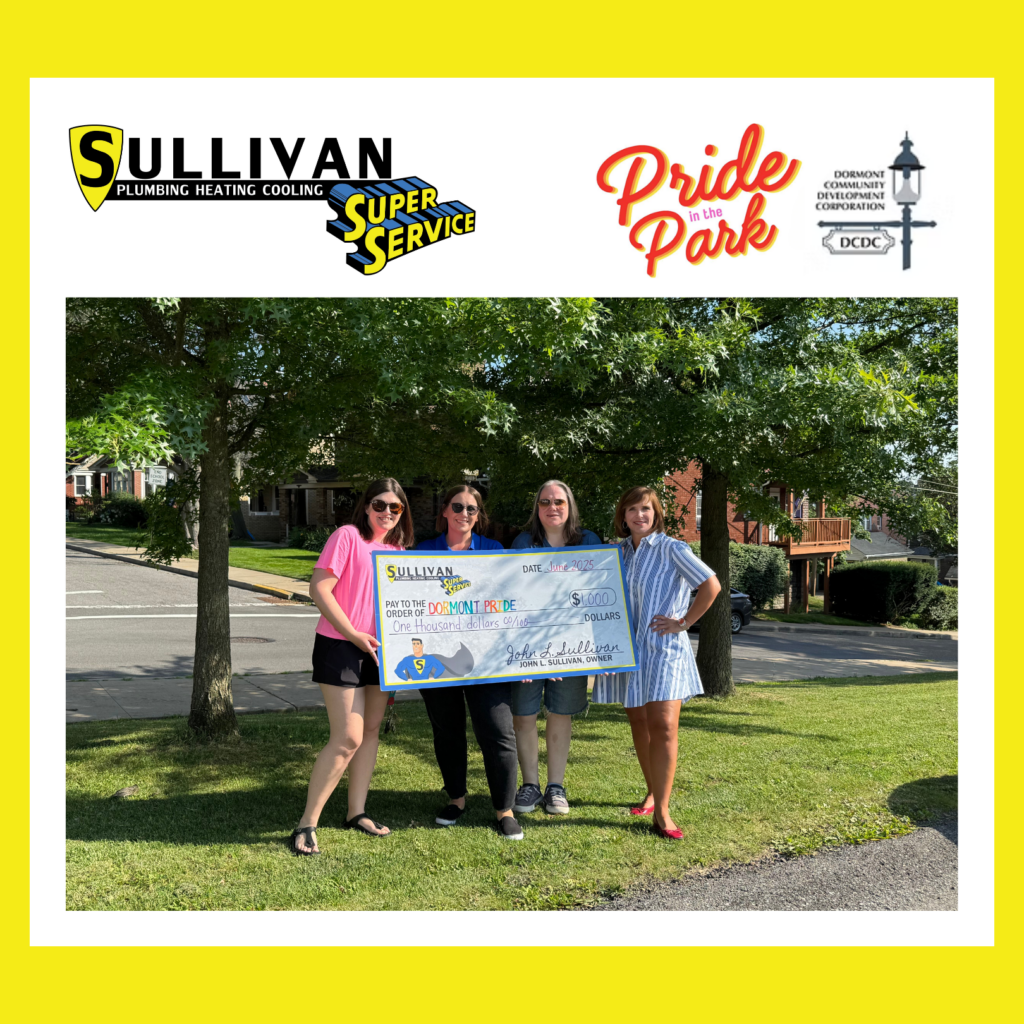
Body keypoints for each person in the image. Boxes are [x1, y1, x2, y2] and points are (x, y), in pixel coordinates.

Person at [289, 478, 414, 855]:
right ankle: (307, 821)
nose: (387, 513)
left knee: (371, 730)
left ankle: (356, 812)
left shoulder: (399, 549)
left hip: (383, 651)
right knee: (348, 737)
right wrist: (355, 634)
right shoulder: (346, 536)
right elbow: (319, 589)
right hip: (340, 646)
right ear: (365, 506)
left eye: (395, 507)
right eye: (380, 505)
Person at [592, 485, 721, 840]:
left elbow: (711, 585)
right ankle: (652, 791)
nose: (639, 516)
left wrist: (683, 622)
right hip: (627, 652)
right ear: (623, 516)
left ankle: (663, 812)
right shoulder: (616, 553)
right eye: (632, 510)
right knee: (639, 722)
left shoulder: (673, 549)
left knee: (663, 725)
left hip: (663, 649)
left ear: (656, 513)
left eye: (646, 509)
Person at [416, 484, 524, 840]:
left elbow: (511, 606)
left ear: (479, 516)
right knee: (447, 731)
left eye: (472, 510)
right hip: (437, 659)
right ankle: (457, 799)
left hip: (488, 660)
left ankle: (504, 808)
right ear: (444, 510)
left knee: (497, 731)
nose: (465, 514)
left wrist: (524, 658)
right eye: (458, 507)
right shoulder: (422, 552)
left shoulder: (494, 551)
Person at [509, 480, 603, 816]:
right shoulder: (523, 543)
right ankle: (530, 786)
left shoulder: (588, 542)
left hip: (572, 648)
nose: (553, 508)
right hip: (528, 650)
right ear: (537, 507)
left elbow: (600, 597)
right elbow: (514, 600)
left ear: (570, 505)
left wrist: (599, 648)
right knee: (523, 715)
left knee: (561, 714)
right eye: (545, 502)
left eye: (559, 501)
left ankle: (555, 787)